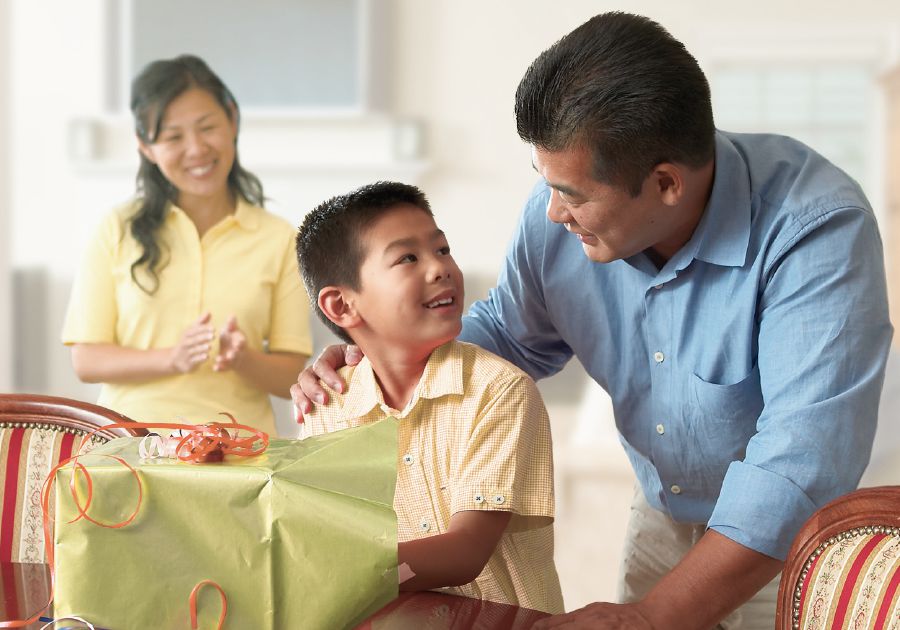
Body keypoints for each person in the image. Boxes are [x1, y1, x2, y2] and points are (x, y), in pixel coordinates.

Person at [291, 12, 893, 630]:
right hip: (663, 516)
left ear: (665, 185)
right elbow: (504, 336)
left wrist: (652, 617)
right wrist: (372, 355)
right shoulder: (560, 211)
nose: (552, 212)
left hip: (789, 548)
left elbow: (799, 466)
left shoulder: (815, 230)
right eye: (545, 184)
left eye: (572, 194)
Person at [295, 181, 564, 614]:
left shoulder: (498, 392)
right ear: (342, 307)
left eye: (442, 250)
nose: (440, 268)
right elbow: (322, 532)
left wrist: (331, 573)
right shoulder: (326, 406)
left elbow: (464, 554)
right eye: (407, 258)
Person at [62, 55, 311, 435]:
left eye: (207, 127)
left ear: (232, 121)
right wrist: (172, 359)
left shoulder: (279, 238)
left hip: (239, 451)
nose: (196, 149)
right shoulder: (116, 229)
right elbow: (86, 360)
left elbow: (292, 375)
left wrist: (244, 360)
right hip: (129, 446)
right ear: (146, 147)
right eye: (174, 137)